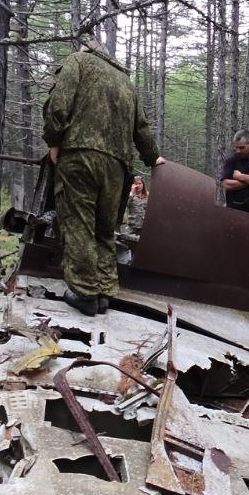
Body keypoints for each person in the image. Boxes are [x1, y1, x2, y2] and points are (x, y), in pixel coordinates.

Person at [44, 38, 164, 316]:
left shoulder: (78, 61)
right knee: (104, 229)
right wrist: (153, 157)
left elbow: (59, 104)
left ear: (88, 51)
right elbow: (141, 127)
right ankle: (103, 293)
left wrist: (53, 140)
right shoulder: (125, 81)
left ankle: (85, 292)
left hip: (80, 154)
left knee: (79, 223)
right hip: (118, 166)